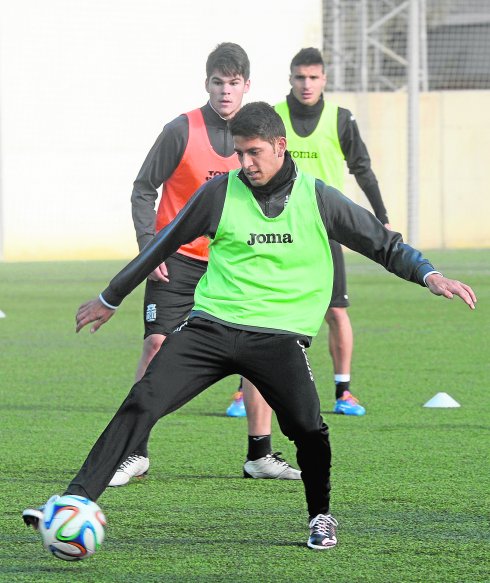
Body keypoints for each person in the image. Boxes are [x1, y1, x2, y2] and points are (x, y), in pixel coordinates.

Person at [22, 102, 476, 550]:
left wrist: (429, 274)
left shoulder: (318, 198)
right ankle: (73, 501)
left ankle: (320, 515)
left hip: (277, 338)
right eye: (239, 153)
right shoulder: (219, 193)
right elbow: (164, 241)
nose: (244, 163)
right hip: (212, 328)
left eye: (254, 152)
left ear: (280, 146)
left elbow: (384, 244)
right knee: (143, 399)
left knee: (309, 429)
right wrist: (111, 296)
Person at [110, 42, 300, 487]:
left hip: (235, 266)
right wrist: (148, 245)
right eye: (218, 82)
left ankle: (260, 455)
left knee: (264, 349)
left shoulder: (261, 133)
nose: (225, 91)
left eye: (234, 83)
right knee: (157, 345)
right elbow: (143, 188)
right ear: (207, 83)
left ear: (247, 85)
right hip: (176, 263)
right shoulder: (181, 130)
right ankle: (133, 451)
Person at [228, 47, 391, 419]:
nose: (306, 84)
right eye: (300, 77)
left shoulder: (341, 119)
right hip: (271, 225)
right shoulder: (273, 117)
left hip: (321, 229)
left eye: (313, 77)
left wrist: (381, 216)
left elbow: (362, 169)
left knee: (336, 310)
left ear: (324, 80)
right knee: (255, 307)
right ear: (290, 78)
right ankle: (243, 391)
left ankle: (344, 391)